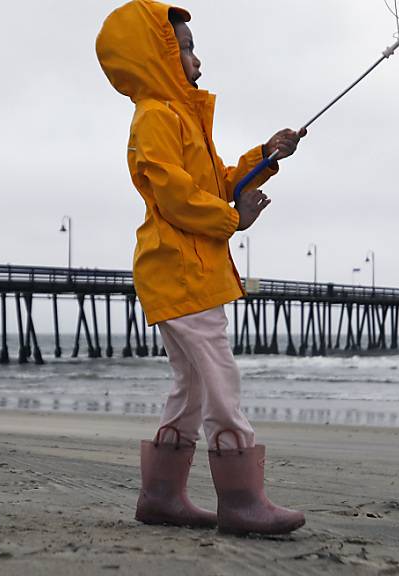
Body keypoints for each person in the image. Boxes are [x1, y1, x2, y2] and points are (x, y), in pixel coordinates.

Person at [95, 0, 306, 535]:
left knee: (190, 385)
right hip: (179, 271)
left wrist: (268, 154)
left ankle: (162, 496)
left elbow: (213, 184)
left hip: (184, 270)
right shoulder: (156, 118)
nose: (196, 59)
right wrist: (233, 220)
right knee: (219, 378)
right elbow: (176, 197)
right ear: (156, 56)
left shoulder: (179, 116)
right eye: (184, 48)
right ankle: (241, 500)